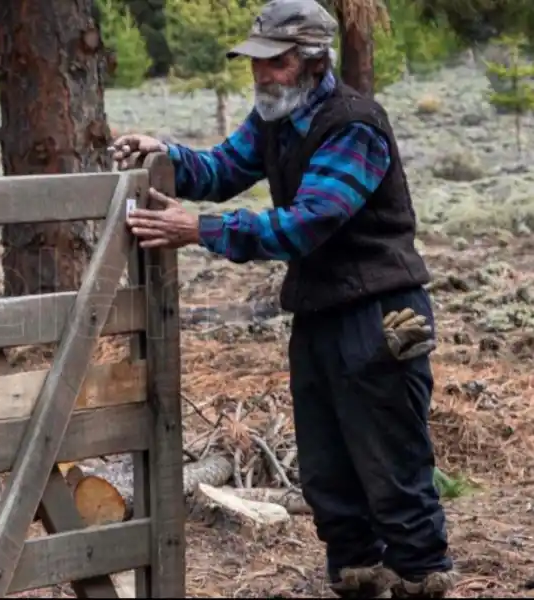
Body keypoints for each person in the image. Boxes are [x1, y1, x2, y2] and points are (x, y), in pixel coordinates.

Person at [109, 0, 457, 597]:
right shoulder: (276, 117)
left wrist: (201, 230)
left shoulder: (354, 124)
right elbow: (220, 169)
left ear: (312, 61)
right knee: (327, 470)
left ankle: (422, 578)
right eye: (257, 62)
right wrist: (161, 153)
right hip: (321, 313)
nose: (261, 74)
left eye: (275, 63)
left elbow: (308, 222)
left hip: (379, 317)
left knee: (391, 465)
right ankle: (356, 577)